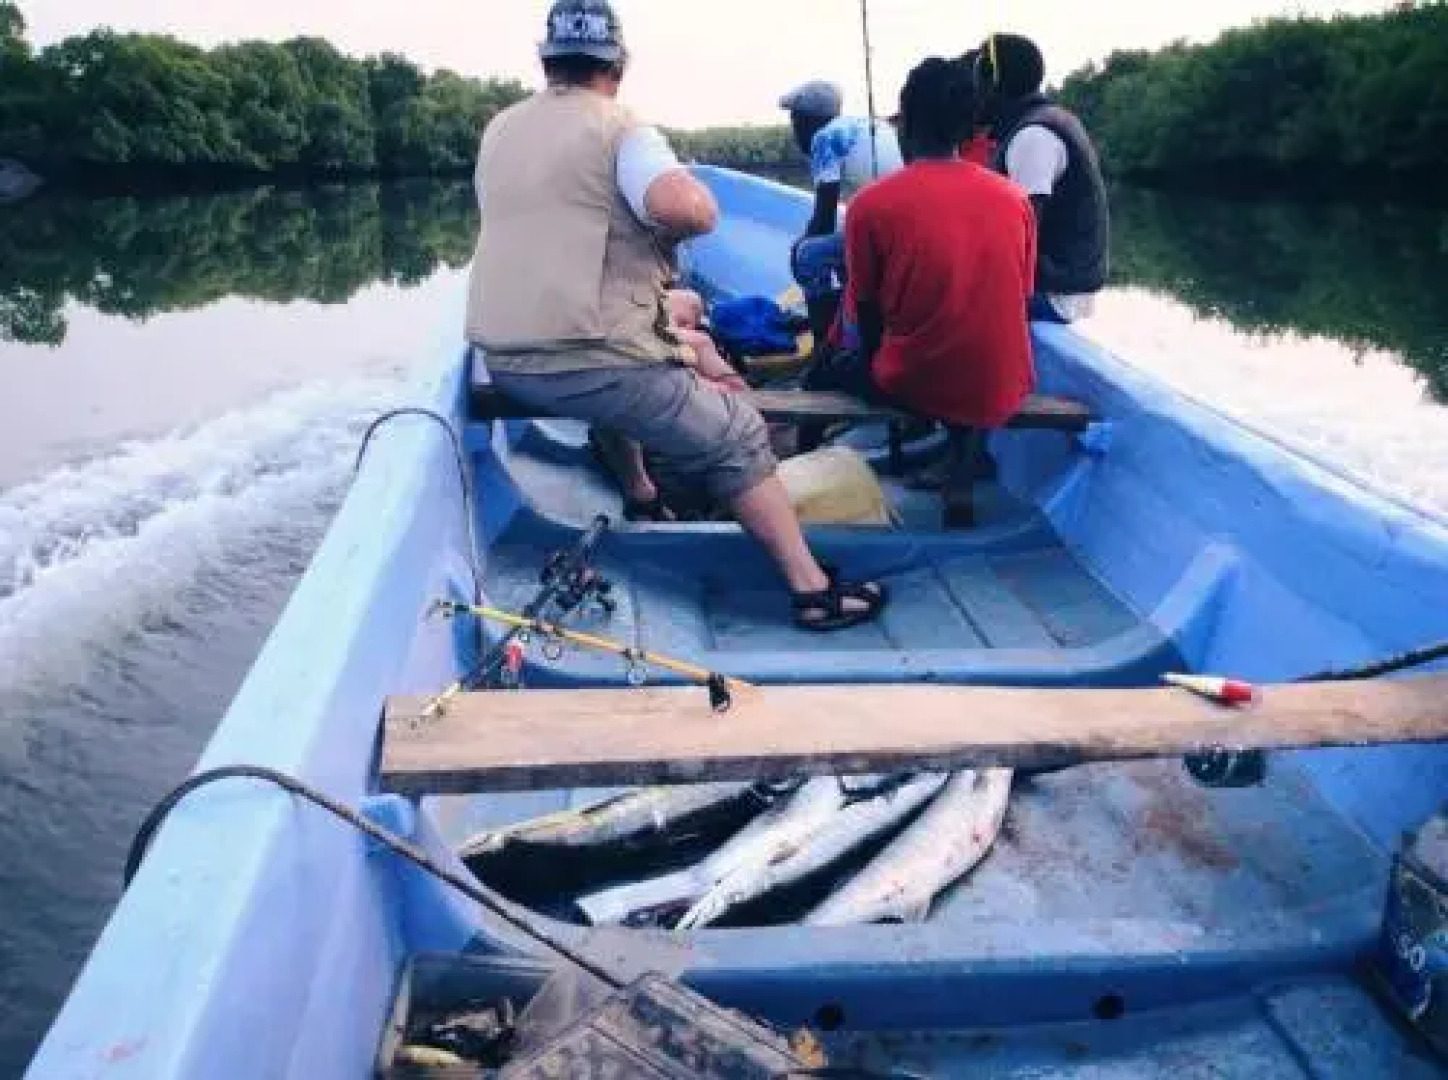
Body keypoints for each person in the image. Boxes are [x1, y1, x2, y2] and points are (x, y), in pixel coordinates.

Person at [465, 0, 885, 631]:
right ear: (618, 65)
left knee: (619, 370)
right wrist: (674, 221)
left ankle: (640, 493)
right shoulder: (622, 129)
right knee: (735, 433)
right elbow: (691, 210)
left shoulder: (500, 130)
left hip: (506, 361)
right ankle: (810, 589)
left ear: (546, 61)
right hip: (591, 363)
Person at [805, 56, 1037, 433]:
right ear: (966, 125)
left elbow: (867, 313)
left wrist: (860, 365)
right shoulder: (1016, 200)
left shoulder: (870, 205)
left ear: (907, 122)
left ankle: (803, 460)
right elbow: (1020, 300)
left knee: (819, 374)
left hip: (916, 386)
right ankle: (961, 471)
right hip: (1005, 386)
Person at [973, 33, 1109, 324]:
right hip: (1057, 285)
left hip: (1055, 295)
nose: (974, 92)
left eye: (978, 79)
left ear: (996, 83)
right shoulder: (1041, 120)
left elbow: (1020, 239)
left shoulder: (1033, 137)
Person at [779, 79, 903, 346]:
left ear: (806, 121)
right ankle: (843, 318)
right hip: (905, 222)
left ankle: (825, 345)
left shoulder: (825, 139)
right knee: (844, 245)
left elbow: (823, 219)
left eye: (795, 122)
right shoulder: (866, 126)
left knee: (808, 256)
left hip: (891, 230)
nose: (795, 131)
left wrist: (798, 246)